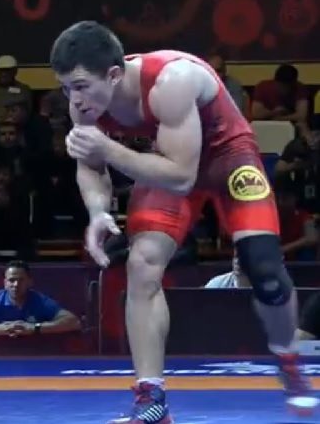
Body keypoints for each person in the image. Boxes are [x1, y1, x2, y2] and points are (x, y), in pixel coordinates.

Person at [49, 21, 318, 424]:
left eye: (81, 86)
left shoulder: (170, 82)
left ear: (115, 75)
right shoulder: (83, 103)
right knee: (142, 263)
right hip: (169, 158)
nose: (75, 99)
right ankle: (151, 398)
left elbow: (180, 177)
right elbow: (90, 165)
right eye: (66, 88)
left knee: (264, 269)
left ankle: (287, 357)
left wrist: (107, 147)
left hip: (227, 157)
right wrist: (98, 211)